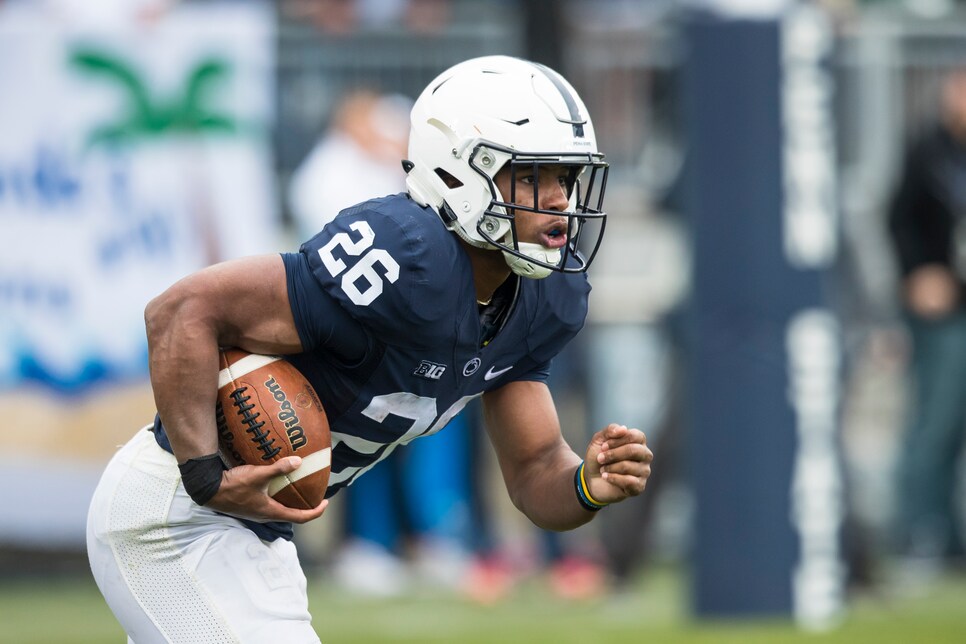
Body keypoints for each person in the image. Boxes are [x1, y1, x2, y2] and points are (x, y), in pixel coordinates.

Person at [86, 55, 654, 642]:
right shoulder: (404, 256)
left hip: (255, 537)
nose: (559, 199)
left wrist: (586, 482)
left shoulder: (542, 299)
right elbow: (181, 311)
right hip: (176, 517)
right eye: (534, 176)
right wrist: (204, 474)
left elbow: (535, 468)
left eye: (566, 177)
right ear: (460, 173)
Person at [887, 68, 966, 580]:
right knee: (935, 420)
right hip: (944, 310)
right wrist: (919, 273)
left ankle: (950, 538)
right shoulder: (928, 151)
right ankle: (921, 533)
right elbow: (899, 218)